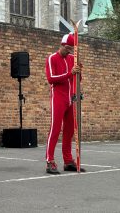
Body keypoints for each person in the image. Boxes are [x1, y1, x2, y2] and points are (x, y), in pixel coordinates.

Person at [45, 33, 85, 174]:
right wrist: (70, 73)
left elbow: (77, 80)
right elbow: (51, 79)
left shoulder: (72, 59)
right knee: (55, 129)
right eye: (68, 48)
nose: (70, 51)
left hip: (71, 98)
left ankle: (68, 161)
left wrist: (79, 71)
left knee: (69, 132)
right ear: (62, 45)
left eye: (72, 48)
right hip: (58, 98)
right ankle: (50, 161)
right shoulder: (52, 58)